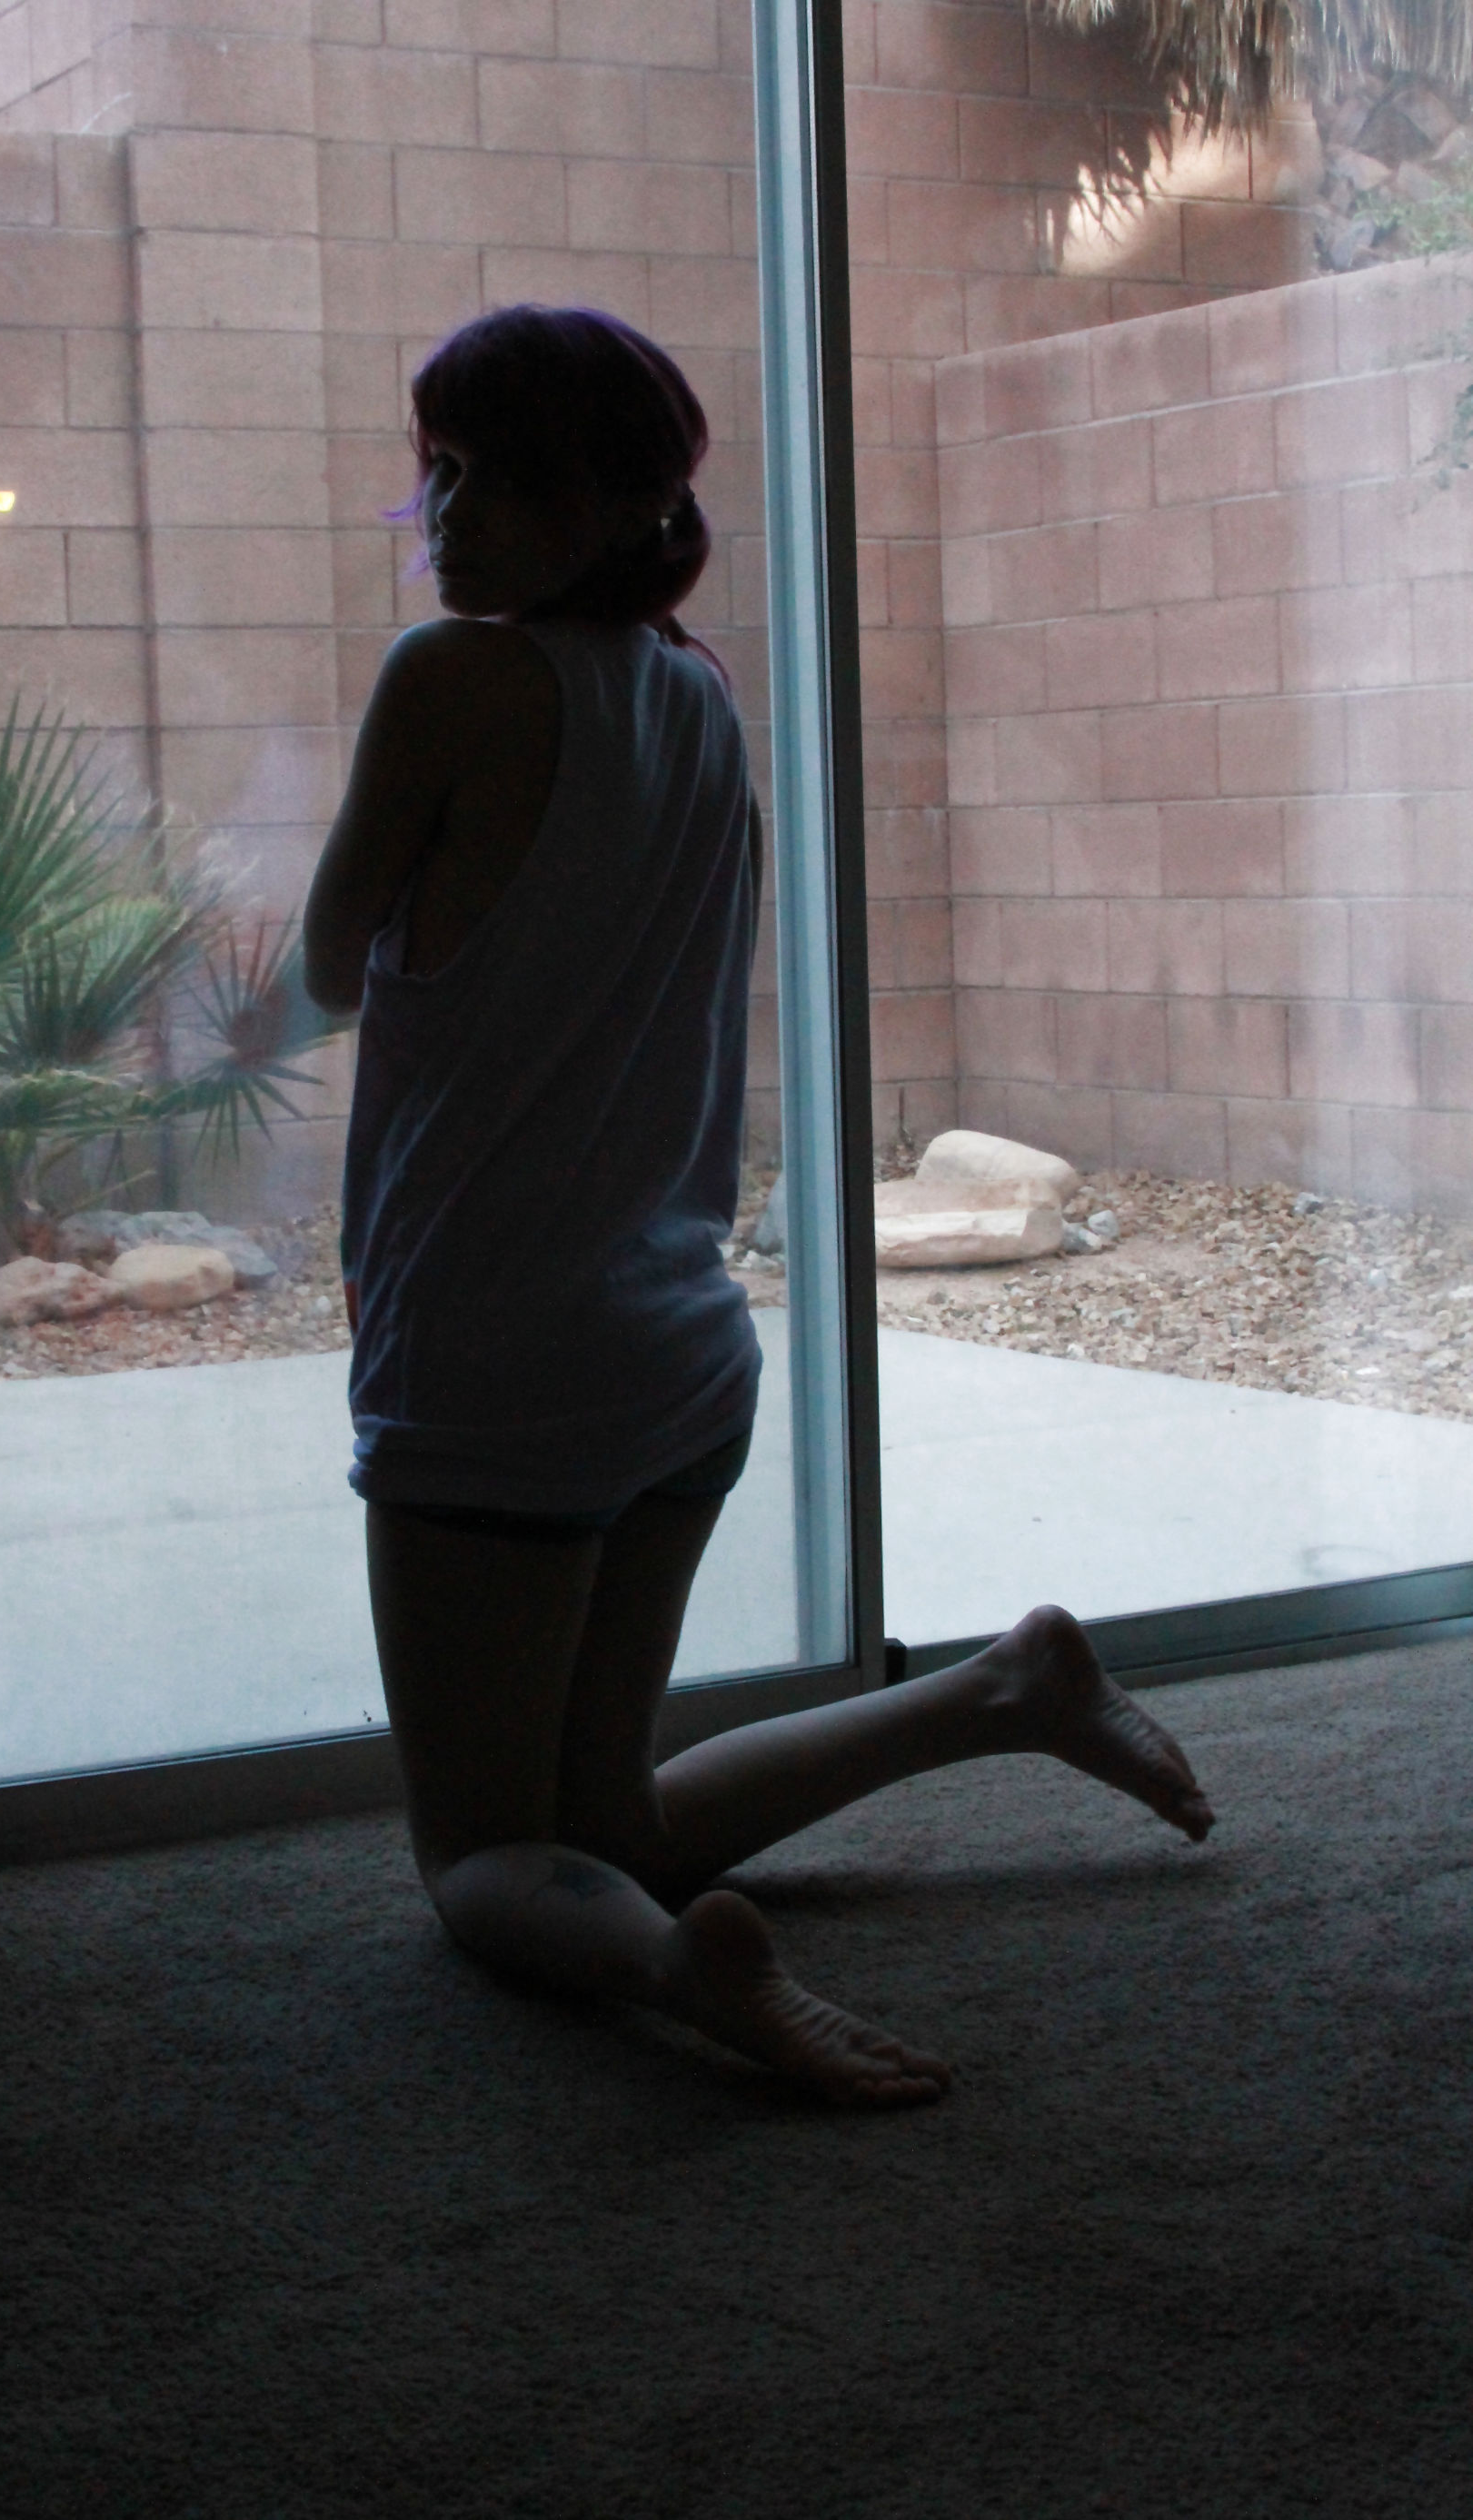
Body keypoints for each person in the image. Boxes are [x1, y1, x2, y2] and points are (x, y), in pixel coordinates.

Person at [304, 305, 1214, 2108]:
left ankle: (682, 1969)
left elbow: (332, 964)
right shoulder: (694, 698)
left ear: (604, 505)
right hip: (676, 1346)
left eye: (495, 477)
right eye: (439, 471)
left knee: (476, 1855)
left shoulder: (449, 679)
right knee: (603, 1821)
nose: (447, 513)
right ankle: (1002, 1689)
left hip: (488, 1353)